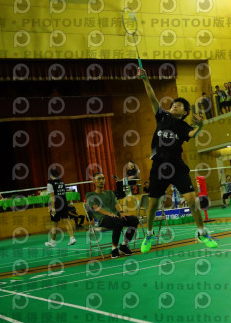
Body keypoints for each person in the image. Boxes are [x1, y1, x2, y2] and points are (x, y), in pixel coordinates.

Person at [138, 67, 218, 252]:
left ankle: (201, 232)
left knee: (192, 199)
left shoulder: (183, 126)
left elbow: (193, 133)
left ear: (184, 112)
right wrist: (145, 79)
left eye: (179, 105)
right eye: (174, 104)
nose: (175, 105)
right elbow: (151, 97)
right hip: (159, 166)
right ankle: (149, 235)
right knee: (153, 205)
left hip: (177, 166)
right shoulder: (162, 117)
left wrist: (201, 126)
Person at [85, 172, 138, 258]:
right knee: (118, 221)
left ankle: (124, 245)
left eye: (103, 178)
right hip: (104, 219)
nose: (101, 181)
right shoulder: (90, 195)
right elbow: (96, 207)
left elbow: (116, 204)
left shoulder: (110, 193)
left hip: (116, 217)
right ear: (93, 181)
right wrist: (109, 213)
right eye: (99, 179)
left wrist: (121, 212)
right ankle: (114, 249)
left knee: (134, 220)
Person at [45, 168, 77, 247]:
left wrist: (53, 207)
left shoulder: (50, 183)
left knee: (54, 224)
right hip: (64, 204)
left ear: (51, 174)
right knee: (66, 220)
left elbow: (52, 196)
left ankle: (53, 241)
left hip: (56, 206)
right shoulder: (62, 182)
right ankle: (72, 238)